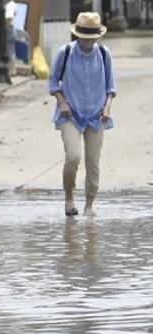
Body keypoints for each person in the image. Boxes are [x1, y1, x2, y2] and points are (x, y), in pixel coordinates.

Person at [48, 12, 117, 216]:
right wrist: (61, 102)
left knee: (93, 161)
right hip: (70, 114)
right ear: (77, 35)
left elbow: (111, 87)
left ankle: (89, 205)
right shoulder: (65, 52)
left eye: (92, 38)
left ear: (98, 37)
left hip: (97, 116)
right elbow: (53, 83)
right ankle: (69, 197)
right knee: (73, 156)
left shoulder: (104, 54)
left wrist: (107, 106)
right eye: (84, 38)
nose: (88, 42)